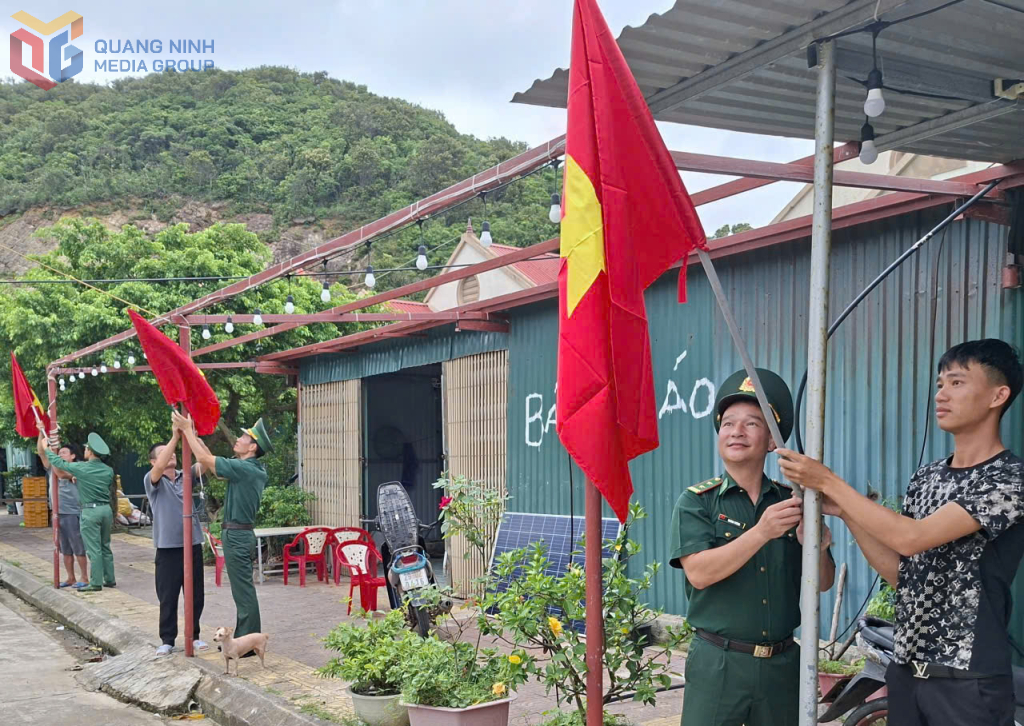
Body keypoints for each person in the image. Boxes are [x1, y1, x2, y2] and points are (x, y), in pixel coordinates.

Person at [779, 339, 1024, 726]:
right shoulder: (926, 478)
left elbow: (912, 536)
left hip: (969, 681)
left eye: (957, 383)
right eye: (940, 383)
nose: (941, 394)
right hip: (908, 675)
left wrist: (829, 480)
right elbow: (902, 574)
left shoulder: (1008, 479)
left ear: (999, 395)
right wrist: (844, 510)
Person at [670, 368, 836, 726]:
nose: (737, 432)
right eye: (729, 423)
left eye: (751, 424)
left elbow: (823, 582)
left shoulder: (794, 502)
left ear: (772, 442)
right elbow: (698, 573)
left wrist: (818, 548)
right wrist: (761, 532)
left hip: (782, 664)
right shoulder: (697, 502)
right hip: (719, 662)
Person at [172, 410, 271, 640]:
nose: (238, 439)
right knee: (242, 590)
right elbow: (214, 467)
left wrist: (187, 430)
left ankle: (248, 640)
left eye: (244, 437)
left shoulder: (246, 469)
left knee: (243, 591)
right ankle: (247, 635)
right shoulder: (247, 469)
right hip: (237, 534)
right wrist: (194, 437)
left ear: (252, 447)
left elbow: (206, 461)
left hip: (237, 535)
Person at [145, 429, 208, 655]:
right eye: (164, 453)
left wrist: (192, 435)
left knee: (195, 594)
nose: (171, 455)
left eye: (172, 452)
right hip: (167, 547)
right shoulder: (153, 479)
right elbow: (160, 467)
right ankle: (168, 639)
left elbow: (205, 460)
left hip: (192, 544)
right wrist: (173, 438)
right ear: (153, 460)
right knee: (168, 595)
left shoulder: (187, 475)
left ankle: (195, 635)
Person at [39, 430, 116, 592]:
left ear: (91, 452)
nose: (85, 451)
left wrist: (47, 449)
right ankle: (109, 578)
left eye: (87, 449)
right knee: (105, 546)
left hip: (90, 510)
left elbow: (61, 465)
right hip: (106, 510)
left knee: (93, 548)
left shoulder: (82, 468)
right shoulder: (108, 470)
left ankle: (95, 582)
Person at [38, 437, 88, 589]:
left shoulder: (77, 467)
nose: (59, 455)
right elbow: (41, 453)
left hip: (72, 512)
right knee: (64, 547)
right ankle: (70, 577)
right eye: (58, 453)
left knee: (77, 546)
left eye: (64, 452)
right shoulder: (53, 465)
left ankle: (84, 577)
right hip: (58, 512)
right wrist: (41, 434)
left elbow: (60, 473)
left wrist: (50, 451)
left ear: (72, 456)